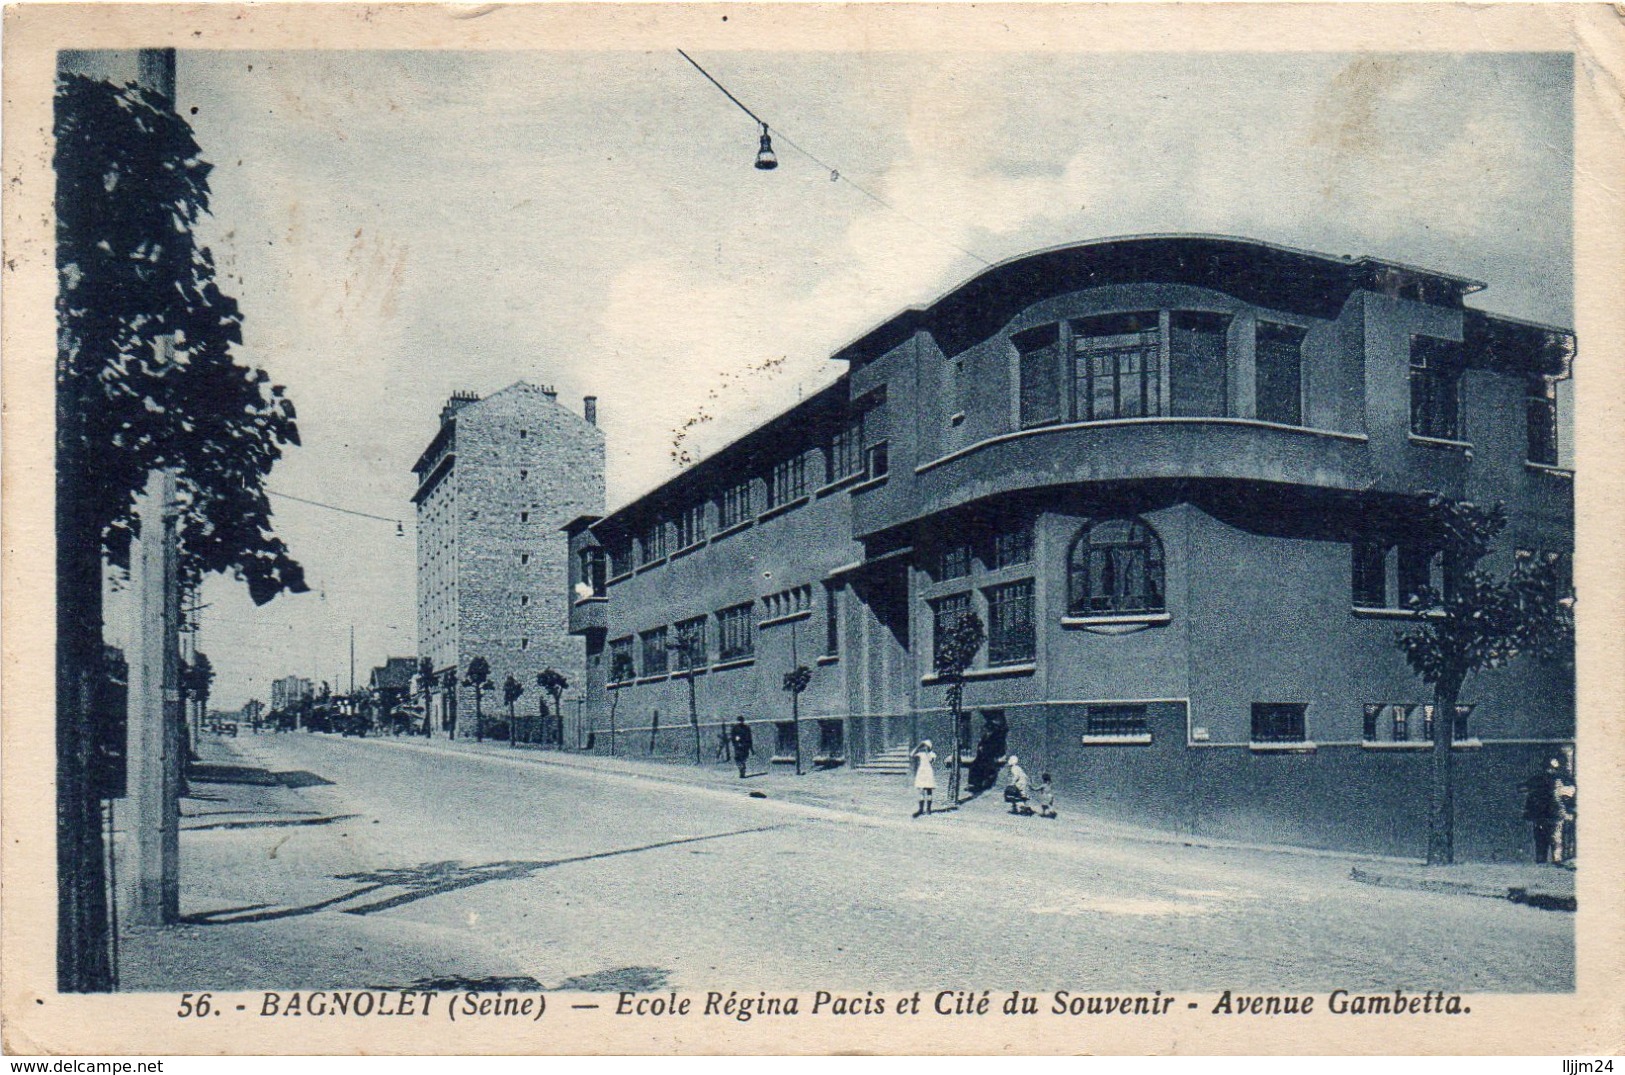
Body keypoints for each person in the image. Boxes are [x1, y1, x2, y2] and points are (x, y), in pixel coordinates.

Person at [1523, 758, 1566, 864]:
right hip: (1546, 815)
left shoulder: (1557, 781)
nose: (1550, 771)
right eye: (1548, 768)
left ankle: (1552, 860)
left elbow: (1526, 792)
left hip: (1550, 815)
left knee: (1550, 839)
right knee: (1547, 839)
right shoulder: (1558, 781)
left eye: (1552, 769)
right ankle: (1550, 860)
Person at [912, 739, 937, 817]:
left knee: (929, 790)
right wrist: (918, 746)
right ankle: (921, 809)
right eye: (924, 746)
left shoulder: (933, 754)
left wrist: (927, 752)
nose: (925, 747)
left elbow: (930, 760)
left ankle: (928, 809)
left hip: (928, 772)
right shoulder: (921, 754)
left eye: (926, 746)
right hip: (922, 772)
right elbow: (912, 754)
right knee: (921, 790)